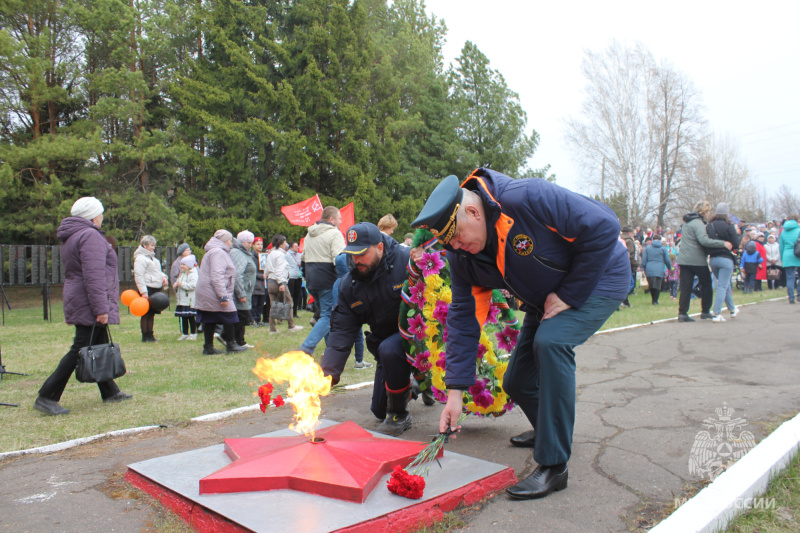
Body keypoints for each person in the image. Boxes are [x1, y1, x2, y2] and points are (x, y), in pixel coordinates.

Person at [411, 169, 630, 500]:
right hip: (548, 296)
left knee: (552, 342)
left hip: (599, 277)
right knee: (518, 382)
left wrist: (571, 294)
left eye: (456, 237)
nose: (457, 248)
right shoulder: (463, 259)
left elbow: (604, 226)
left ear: (472, 211)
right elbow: (464, 321)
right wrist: (454, 393)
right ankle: (549, 432)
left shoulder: (527, 198)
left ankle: (554, 465)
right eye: (449, 243)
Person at [35, 197, 131, 415]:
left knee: (98, 342)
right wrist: (101, 308)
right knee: (79, 348)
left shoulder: (74, 235)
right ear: (93, 215)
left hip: (79, 297)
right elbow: (94, 275)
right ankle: (47, 396)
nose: (102, 216)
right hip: (90, 300)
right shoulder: (90, 236)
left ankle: (110, 391)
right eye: (101, 212)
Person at [321, 222, 413, 435]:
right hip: (385, 345)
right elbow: (341, 332)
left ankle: (400, 415)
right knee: (379, 410)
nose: (356, 260)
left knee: (390, 349)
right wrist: (328, 375)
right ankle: (410, 386)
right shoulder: (348, 285)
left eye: (362, 253)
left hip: (418, 334)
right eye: (352, 254)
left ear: (379, 247)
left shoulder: (408, 260)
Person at [299, 207, 345, 355]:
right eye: (339, 218)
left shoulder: (309, 234)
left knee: (324, 317)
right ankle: (306, 348)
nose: (341, 221)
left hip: (312, 280)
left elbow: (303, 258)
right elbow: (339, 259)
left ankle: (330, 350)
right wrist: (345, 278)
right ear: (331, 219)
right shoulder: (335, 234)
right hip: (327, 279)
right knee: (328, 316)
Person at [677, 202, 733, 322]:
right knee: (707, 283)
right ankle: (705, 311)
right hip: (696, 259)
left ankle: (682, 313)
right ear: (704, 212)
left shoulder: (687, 223)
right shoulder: (698, 223)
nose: (709, 214)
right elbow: (704, 241)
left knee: (686, 286)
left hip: (684, 259)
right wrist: (722, 243)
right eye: (708, 212)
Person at [195, 230, 241, 355]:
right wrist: (223, 296)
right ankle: (231, 345)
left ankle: (208, 347)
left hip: (208, 290)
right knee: (230, 315)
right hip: (213, 291)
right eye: (230, 240)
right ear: (224, 241)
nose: (231, 243)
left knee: (209, 318)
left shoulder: (214, 251)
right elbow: (217, 275)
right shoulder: (218, 252)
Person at [332, 252, 371, 369]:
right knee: (358, 335)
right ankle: (359, 361)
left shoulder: (336, 283)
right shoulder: (350, 281)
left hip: (338, 316)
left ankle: (334, 362)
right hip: (352, 314)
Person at [706, 203, 740, 321]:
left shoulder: (709, 226)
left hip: (713, 259)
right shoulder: (729, 226)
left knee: (724, 284)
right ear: (726, 213)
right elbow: (736, 243)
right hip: (726, 258)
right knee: (722, 285)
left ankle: (732, 309)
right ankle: (716, 313)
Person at [265, 234, 304, 334]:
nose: (286, 244)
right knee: (289, 303)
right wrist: (281, 283)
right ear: (280, 243)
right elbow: (279, 270)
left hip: (270, 281)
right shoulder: (280, 255)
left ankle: (272, 329)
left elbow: (267, 269)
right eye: (285, 242)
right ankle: (291, 326)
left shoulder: (271, 253)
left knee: (273, 305)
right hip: (278, 282)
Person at [133, 235, 169, 342]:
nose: (153, 247)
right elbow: (139, 276)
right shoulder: (140, 259)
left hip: (155, 288)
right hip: (148, 288)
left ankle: (151, 335)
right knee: (146, 313)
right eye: (151, 245)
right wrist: (143, 292)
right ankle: (145, 336)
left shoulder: (153, 258)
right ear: (145, 245)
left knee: (152, 313)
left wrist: (163, 277)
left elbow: (157, 272)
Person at [229, 231, 257, 350]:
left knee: (242, 316)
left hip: (246, 289)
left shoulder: (245, 252)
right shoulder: (237, 252)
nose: (250, 245)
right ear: (241, 242)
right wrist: (241, 293)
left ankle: (240, 340)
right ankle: (232, 338)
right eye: (247, 242)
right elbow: (237, 274)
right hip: (241, 291)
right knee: (242, 316)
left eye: (251, 242)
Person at [174, 254, 199, 339]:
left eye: (184, 264)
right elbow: (178, 281)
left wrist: (182, 284)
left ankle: (193, 333)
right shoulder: (182, 274)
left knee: (190, 317)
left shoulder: (193, 274)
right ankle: (185, 333)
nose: (182, 266)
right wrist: (176, 284)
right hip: (182, 300)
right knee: (183, 317)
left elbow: (193, 285)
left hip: (189, 300)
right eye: (181, 264)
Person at [640, 236, 671, 305]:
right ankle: (655, 300)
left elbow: (644, 259)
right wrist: (669, 267)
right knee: (658, 285)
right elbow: (667, 260)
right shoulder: (663, 248)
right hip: (659, 268)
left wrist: (642, 267)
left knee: (651, 285)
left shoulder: (648, 248)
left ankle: (653, 299)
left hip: (649, 268)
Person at [778, 215, 800, 304]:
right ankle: (799, 295)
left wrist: (782, 258)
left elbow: (781, 247)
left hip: (787, 255)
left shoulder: (783, 232)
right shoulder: (799, 230)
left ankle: (791, 298)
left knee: (790, 278)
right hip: (798, 254)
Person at [619, 227, 638, 308]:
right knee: (630, 283)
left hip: (620, 263)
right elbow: (630, 254)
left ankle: (624, 301)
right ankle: (623, 300)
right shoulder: (629, 241)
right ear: (628, 233)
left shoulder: (619, 238)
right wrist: (636, 264)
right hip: (627, 263)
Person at [250, 237, 267, 326]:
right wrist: (261, 276)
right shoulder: (251, 257)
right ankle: (253, 320)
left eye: (261, 244)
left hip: (263, 285)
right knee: (254, 304)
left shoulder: (263, 256)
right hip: (255, 284)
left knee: (261, 304)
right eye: (258, 244)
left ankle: (259, 319)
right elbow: (252, 271)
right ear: (253, 245)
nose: (260, 246)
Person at [286, 241, 303, 318]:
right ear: (291, 247)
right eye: (295, 246)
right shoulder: (287, 255)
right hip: (291, 277)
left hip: (298, 276)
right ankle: (289, 312)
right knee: (290, 295)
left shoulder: (299, 255)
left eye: (298, 246)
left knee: (297, 295)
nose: (297, 247)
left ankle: (294, 312)